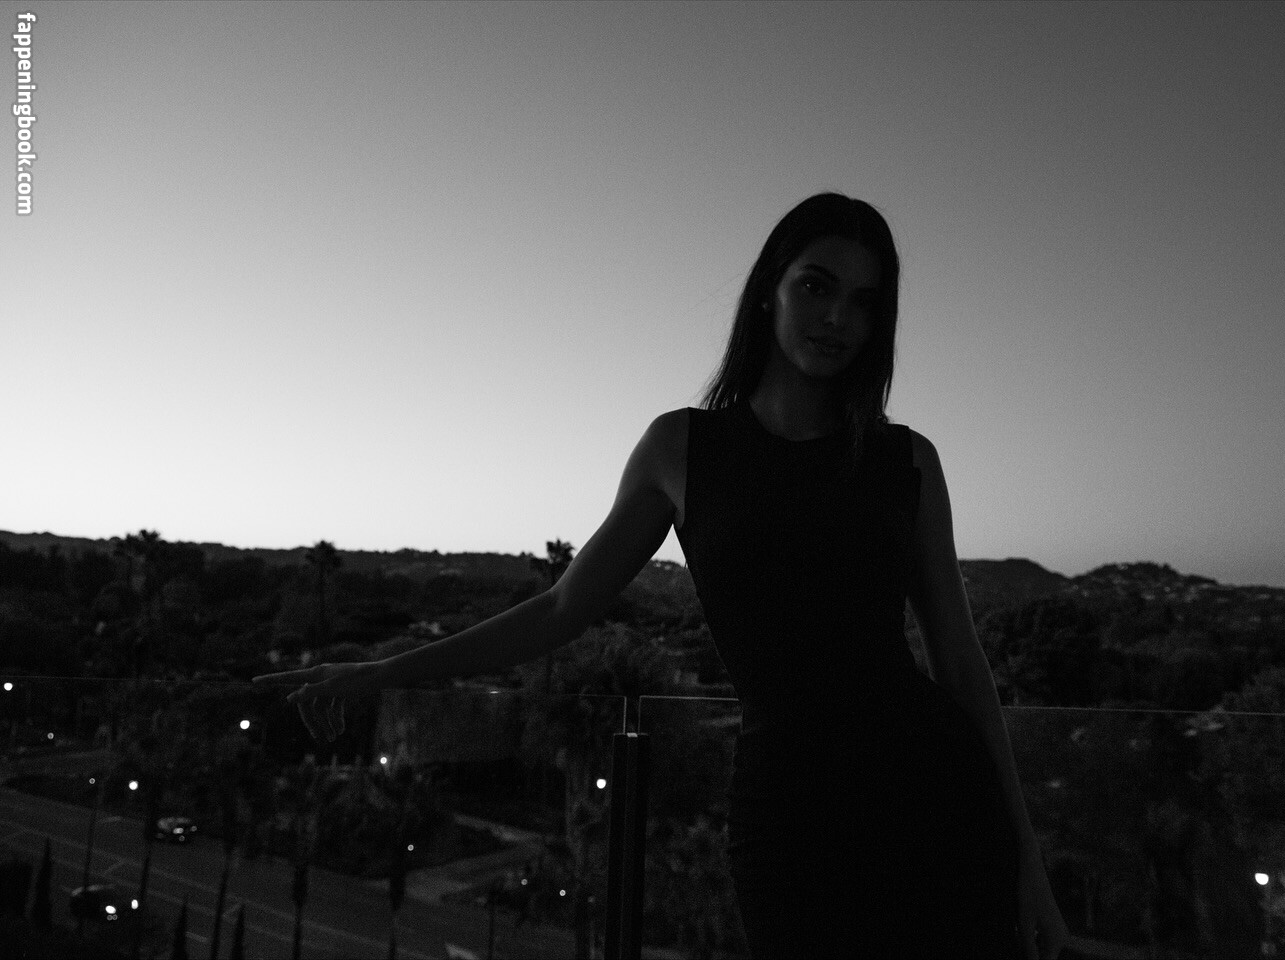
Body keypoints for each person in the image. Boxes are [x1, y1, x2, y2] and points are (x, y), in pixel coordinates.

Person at [255, 192, 1069, 959]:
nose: (837, 317)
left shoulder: (905, 461)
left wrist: (1025, 858)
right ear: (768, 289)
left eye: (864, 301)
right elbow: (560, 609)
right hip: (787, 812)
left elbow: (959, 659)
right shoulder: (681, 450)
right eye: (816, 286)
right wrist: (382, 672)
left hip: (931, 793)